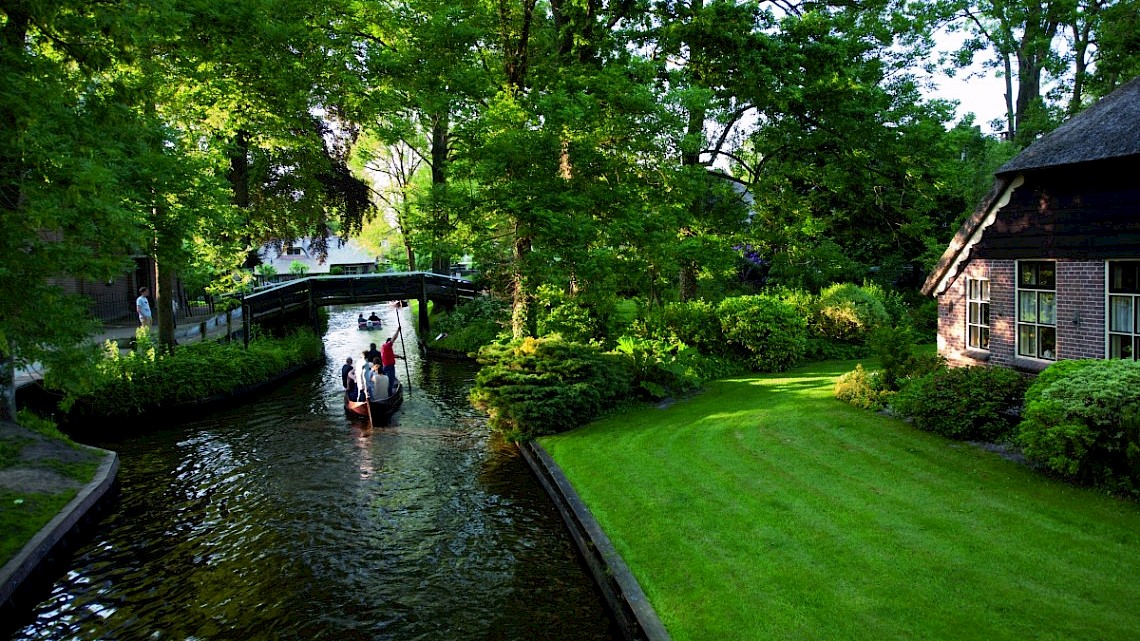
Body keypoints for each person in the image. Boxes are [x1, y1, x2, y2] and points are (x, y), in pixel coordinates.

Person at [380, 327, 402, 395]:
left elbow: (392, 355)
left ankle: (387, 392)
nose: (392, 345)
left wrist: (400, 357)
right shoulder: (388, 346)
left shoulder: (383, 347)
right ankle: (390, 395)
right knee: (391, 381)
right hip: (389, 367)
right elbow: (394, 338)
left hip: (385, 366)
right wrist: (398, 330)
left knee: (387, 381)